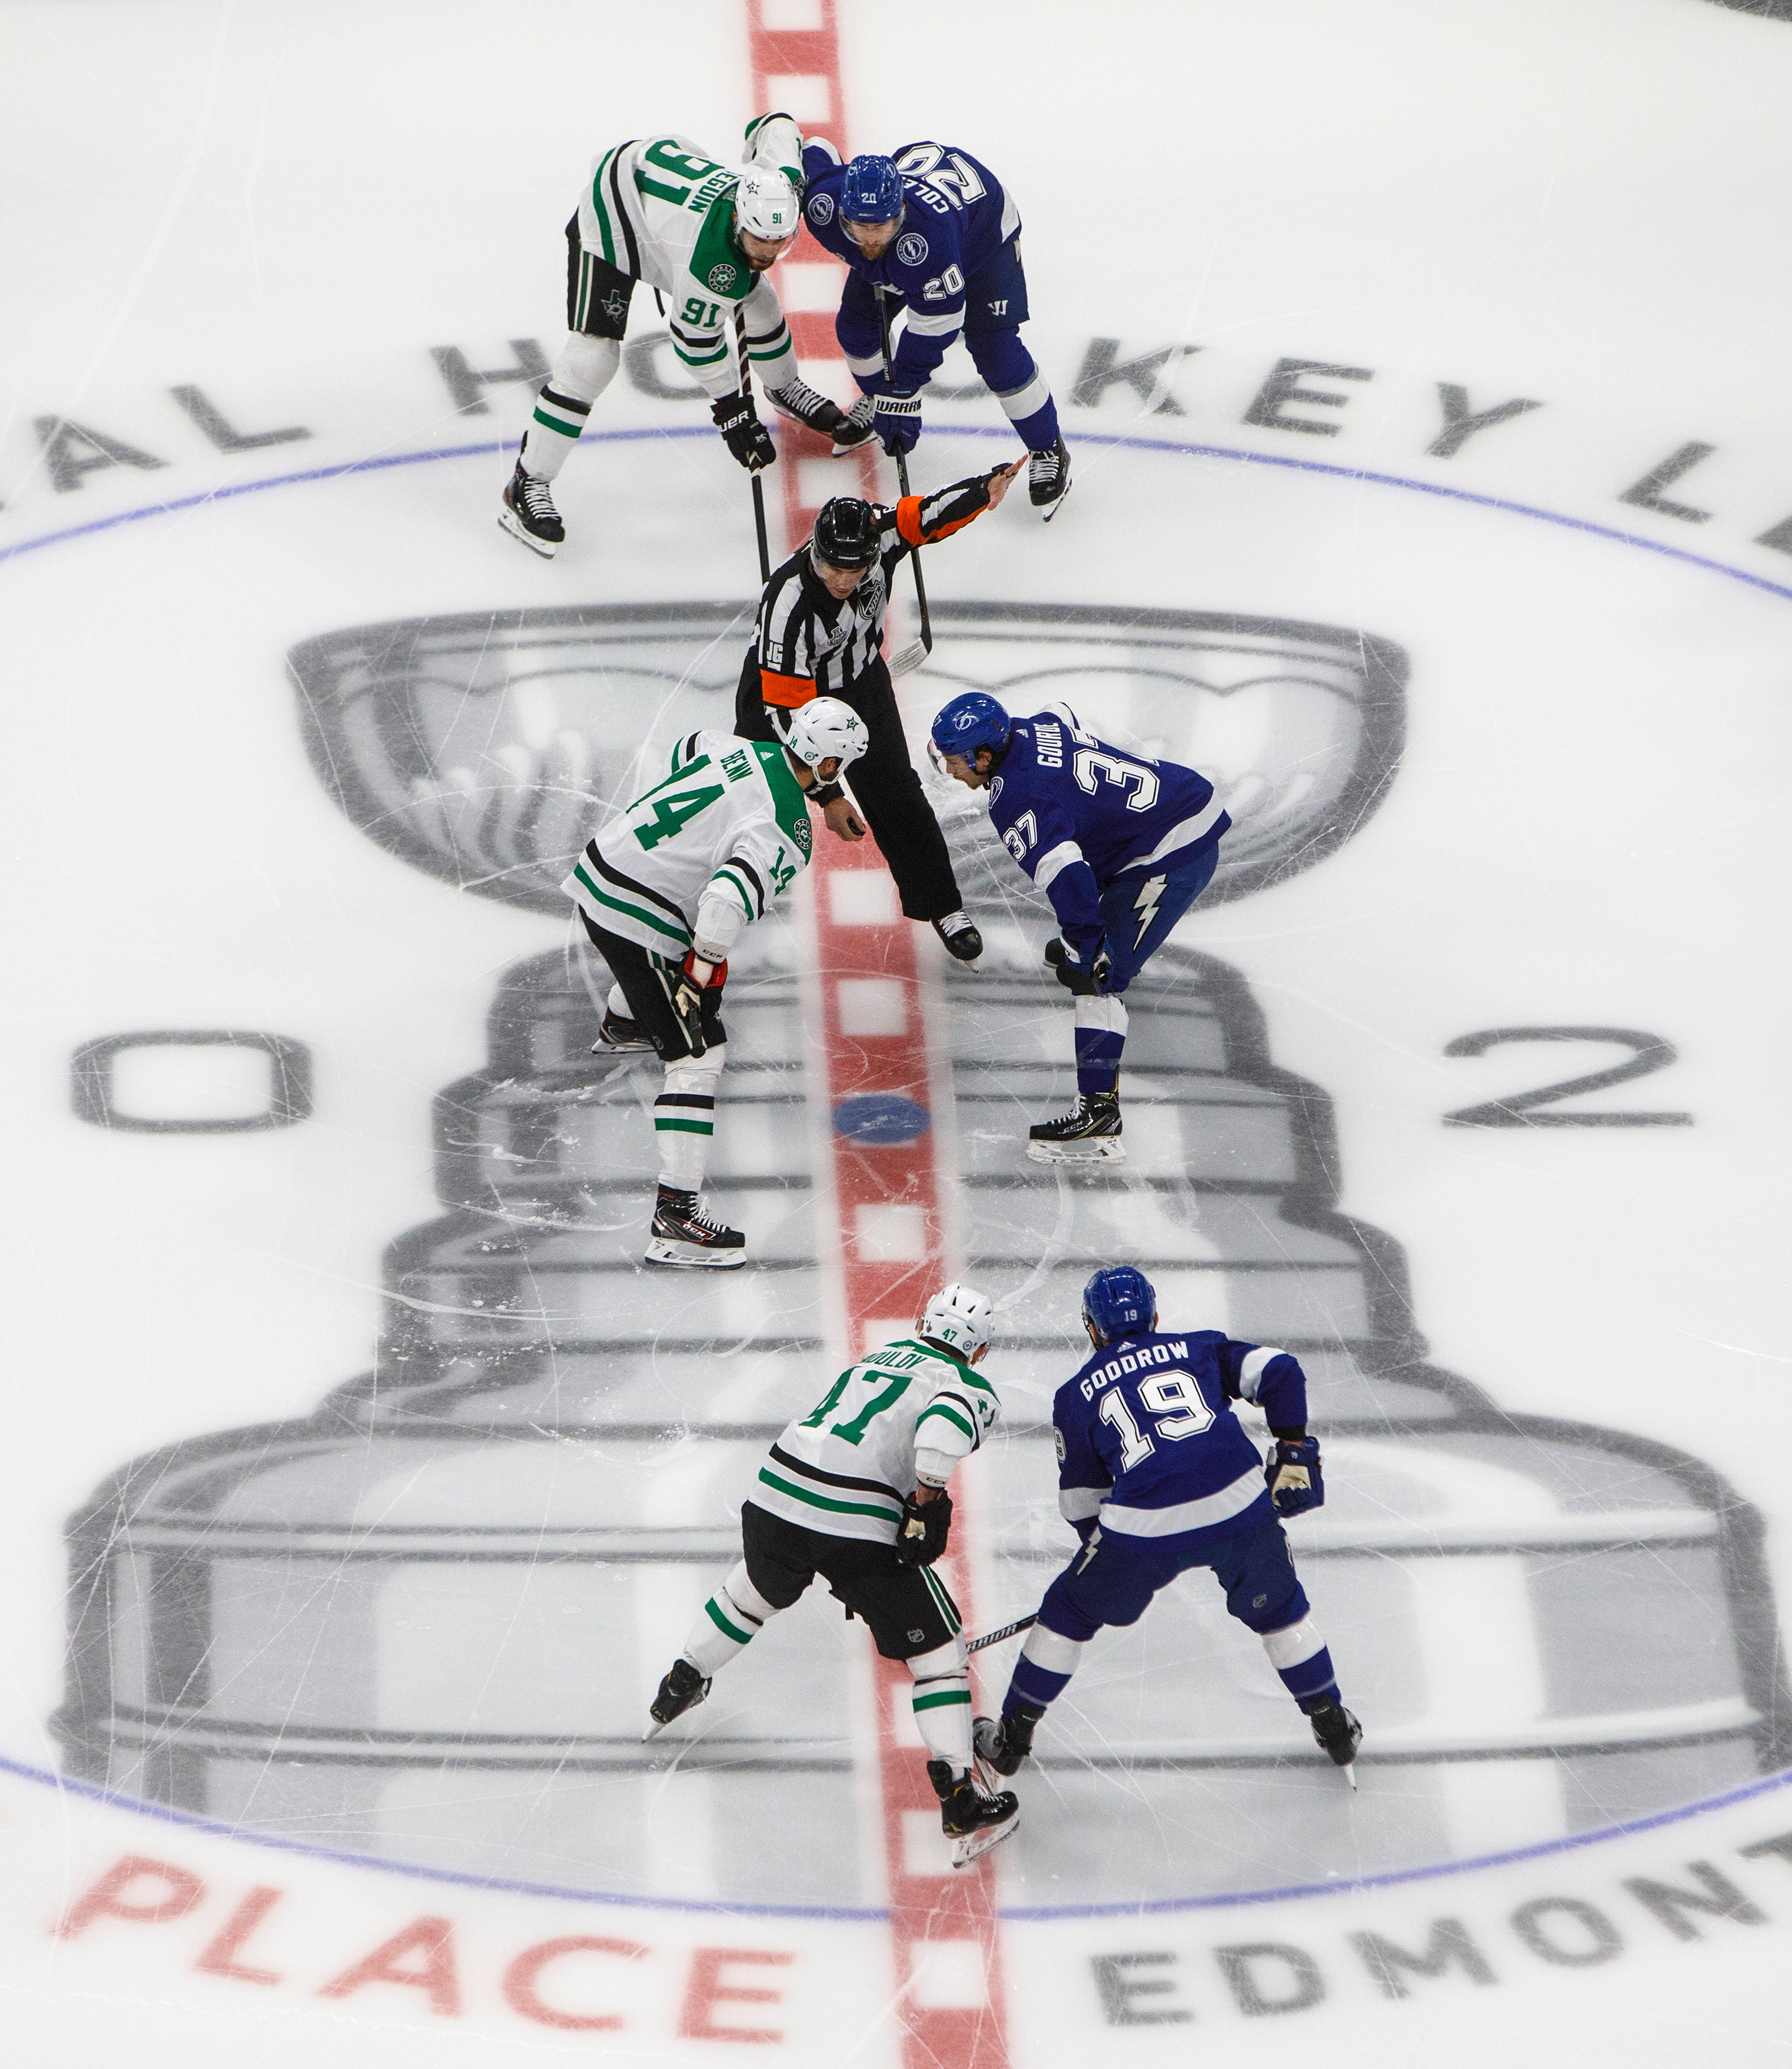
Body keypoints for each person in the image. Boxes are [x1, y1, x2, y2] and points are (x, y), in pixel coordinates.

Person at [643, 1285, 1021, 1868]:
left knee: (752, 1593)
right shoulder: (968, 1383)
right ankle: (959, 1797)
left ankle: (681, 1682)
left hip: (773, 1498)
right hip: (853, 1523)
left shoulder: (877, 1357)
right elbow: (941, 1432)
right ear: (982, 1349)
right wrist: (925, 1502)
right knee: (939, 1654)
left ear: (924, 1322)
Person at [974, 1267, 1361, 1785]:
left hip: (1143, 1529)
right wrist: (1292, 1447)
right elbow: (1281, 1370)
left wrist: (1103, 1558)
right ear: (1155, 1316)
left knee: (1067, 1612)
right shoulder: (1198, 1347)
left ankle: (1012, 1739)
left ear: (1092, 1327)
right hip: (1240, 1507)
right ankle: (1334, 1727)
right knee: (1283, 1615)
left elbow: (1080, 1504)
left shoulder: (1074, 1395)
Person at [562, 698, 868, 1267]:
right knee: (700, 1051)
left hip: (607, 864)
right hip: (636, 918)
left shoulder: (739, 748)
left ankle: (627, 1019)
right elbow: (725, 901)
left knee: (675, 972)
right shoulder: (786, 829)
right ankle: (675, 1215)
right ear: (829, 766)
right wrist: (699, 975)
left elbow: (690, 748)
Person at [500, 113, 874, 557]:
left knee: (759, 298)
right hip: (617, 212)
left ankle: (784, 388)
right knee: (592, 360)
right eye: (759, 241)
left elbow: (777, 125)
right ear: (738, 217)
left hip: (662, 182)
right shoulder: (707, 260)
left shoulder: (779, 185)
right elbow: (694, 341)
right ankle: (527, 481)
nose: (770, 253)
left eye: (779, 242)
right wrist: (732, 409)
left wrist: (756, 151)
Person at [736, 466, 1025, 962]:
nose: (845, 580)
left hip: (861, 682)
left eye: (856, 569)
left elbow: (927, 515)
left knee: (897, 791)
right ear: (816, 553)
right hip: (788, 695)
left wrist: (982, 490)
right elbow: (789, 714)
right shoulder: (789, 606)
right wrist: (827, 796)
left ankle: (941, 905)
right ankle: (725, 895)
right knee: (755, 791)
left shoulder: (880, 534)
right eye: (833, 570)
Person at [929, 691, 1231, 1160]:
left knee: (1097, 977)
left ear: (984, 757)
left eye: (954, 761)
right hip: (1172, 803)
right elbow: (1066, 713)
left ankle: (1099, 1115)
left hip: (1170, 852)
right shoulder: (1032, 726)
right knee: (1086, 944)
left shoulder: (1017, 801)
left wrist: (1084, 949)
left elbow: (1068, 878)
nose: (950, 771)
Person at [797, 140, 1070, 516]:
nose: (872, 239)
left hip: (982, 239)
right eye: (861, 226)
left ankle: (1047, 445)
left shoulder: (930, 240)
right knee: (856, 326)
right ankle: (877, 403)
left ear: (903, 211)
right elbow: (815, 151)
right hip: (922, 234)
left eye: (883, 226)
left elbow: (938, 323)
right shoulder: (823, 203)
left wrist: (904, 392)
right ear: (842, 212)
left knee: (994, 350)